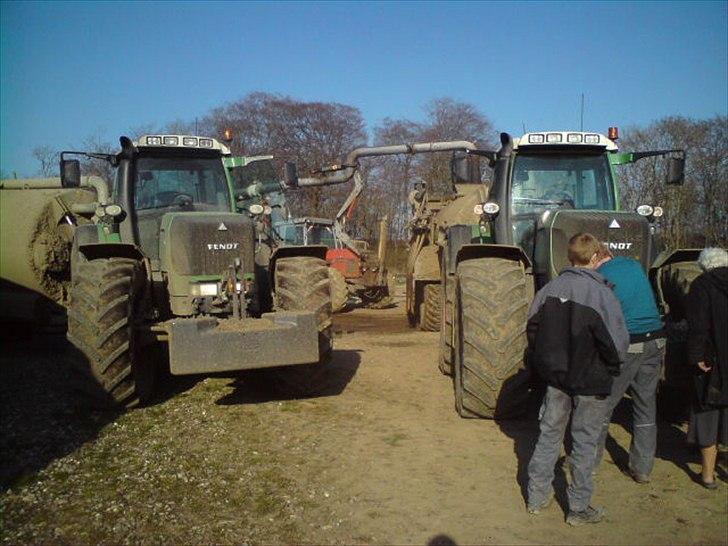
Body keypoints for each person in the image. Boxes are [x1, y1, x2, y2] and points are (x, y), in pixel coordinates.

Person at [526, 233, 629, 526]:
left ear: (569, 257)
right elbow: (617, 342)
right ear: (596, 257)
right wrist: (612, 367)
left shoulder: (549, 290)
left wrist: (545, 363)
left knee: (548, 436)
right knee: (584, 443)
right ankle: (578, 508)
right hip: (592, 381)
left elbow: (531, 330)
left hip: (556, 379)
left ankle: (536, 498)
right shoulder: (602, 295)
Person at [593, 246, 666, 483]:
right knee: (645, 405)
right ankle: (642, 469)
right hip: (656, 340)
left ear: (597, 257)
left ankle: (589, 464)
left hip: (630, 342)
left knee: (603, 404)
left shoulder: (601, 275)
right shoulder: (634, 265)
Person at [685, 247, 728, 489]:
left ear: (704, 266)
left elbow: (698, 326)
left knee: (707, 416)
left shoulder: (702, 286)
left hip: (713, 362)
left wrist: (696, 356)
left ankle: (708, 475)